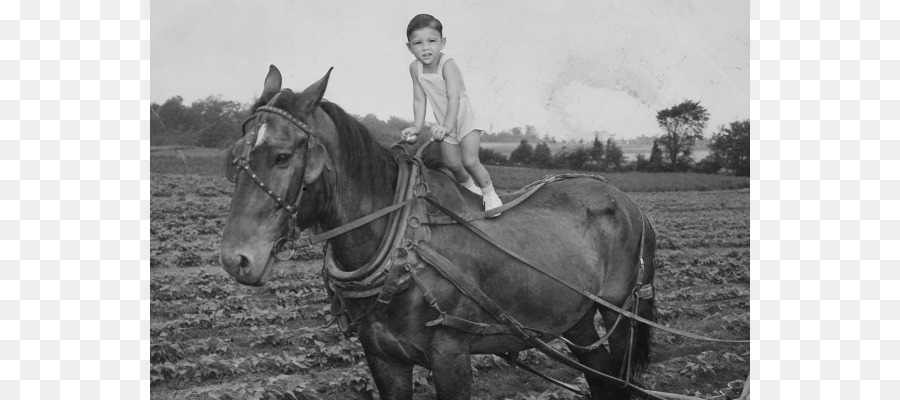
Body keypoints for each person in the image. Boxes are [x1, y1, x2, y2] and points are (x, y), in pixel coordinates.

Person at [400, 14, 503, 215]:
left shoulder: (447, 64)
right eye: (418, 43)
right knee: (452, 164)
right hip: (444, 121)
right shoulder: (415, 68)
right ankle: (472, 191)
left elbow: (453, 98)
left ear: (442, 42)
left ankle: (490, 194)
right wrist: (417, 127)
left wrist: (447, 126)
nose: (425, 48)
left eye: (432, 41)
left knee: (470, 161)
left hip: (464, 118)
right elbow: (419, 99)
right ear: (409, 47)